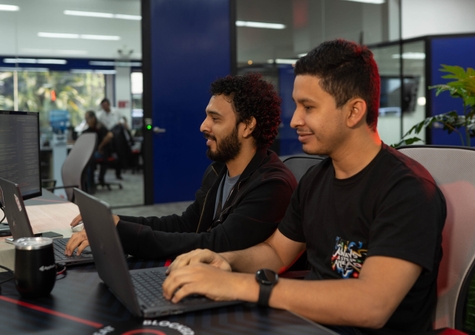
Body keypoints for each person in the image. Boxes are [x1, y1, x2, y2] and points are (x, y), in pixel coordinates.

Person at [161, 39, 447, 335]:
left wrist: (239, 285)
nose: (295, 119)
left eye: (308, 107)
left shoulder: (407, 190)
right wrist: (224, 262)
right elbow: (275, 253)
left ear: (353, 112)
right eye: (297, 106)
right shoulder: (315, 179)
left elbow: (371, 305)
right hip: (306, 325)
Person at [66, 73, 298, 260]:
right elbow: (186, 225)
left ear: (247, 126)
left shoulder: (272, 186)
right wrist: (115, 221)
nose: (203, 126)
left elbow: (215, 245)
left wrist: (122, 233)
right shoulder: (219, 171)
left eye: (215, 119)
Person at [82, 111, 114, 192]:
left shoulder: (100, 126)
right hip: (93, 152)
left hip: (103, 152)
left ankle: (90, 186)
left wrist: (100, 146)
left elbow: (110, 135)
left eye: (87, 119)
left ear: (93, 118)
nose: (86, 121)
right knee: (84, 158)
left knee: (89, 159)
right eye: (85, 119)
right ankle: (84, 185)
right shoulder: (89, 129)